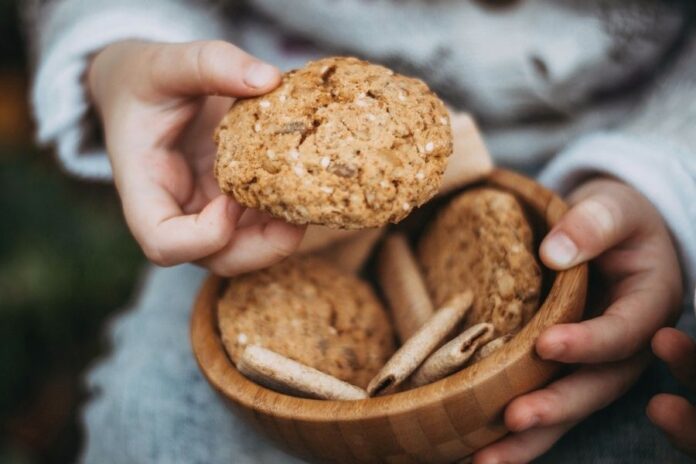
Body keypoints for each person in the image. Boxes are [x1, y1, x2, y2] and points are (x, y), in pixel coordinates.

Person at [25, 0, 696, 462]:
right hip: (243, 182)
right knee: (152, 425)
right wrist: (121, 52)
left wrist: (662, 173)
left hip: (624, 172)